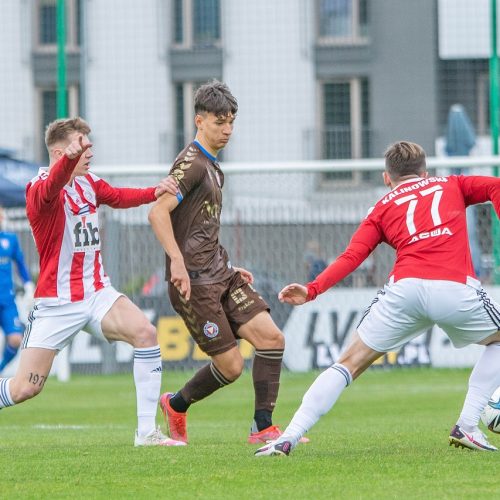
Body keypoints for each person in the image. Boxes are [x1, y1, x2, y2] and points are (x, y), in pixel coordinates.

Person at [255, 140, 500, 457]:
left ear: (388, 178)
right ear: (425, 171)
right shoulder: (452, 184)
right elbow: (496, 186)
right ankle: (467, 424)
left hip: (404, 291)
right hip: (453, 287)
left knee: (347, 364)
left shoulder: (382, 207)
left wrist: (312, 288)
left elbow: (351, 257)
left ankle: (287, 437)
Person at [0, 117, 185, 447]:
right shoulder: (38, 189)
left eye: (89, 143)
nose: (89, 150)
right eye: (81, 144)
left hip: (97, 292)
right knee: (25, 388)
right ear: (59, 152)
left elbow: (117, 195)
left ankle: (146, 434)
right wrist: (68, 160)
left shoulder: (89, 183)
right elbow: (53, 185)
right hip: (57, 304)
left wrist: (153, 191)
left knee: (146, 333)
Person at [149, 80, 296, 445]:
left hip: (220, 273)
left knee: (272, 338)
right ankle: (177, 404)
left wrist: (228, 266)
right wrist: (177, 263)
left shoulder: (214, 167)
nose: (227, 129)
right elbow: (157, 213)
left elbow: (201, 226)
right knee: (230, 367)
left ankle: (263, 426)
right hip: (194, 282)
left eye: (231, 121)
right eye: (219, 122)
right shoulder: (192, 164)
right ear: (200, 121)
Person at [0, 207, 34, 372]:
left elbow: (20, 264)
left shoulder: (10, 240)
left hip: (7, 301)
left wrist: (28, 285)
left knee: (15, 340)